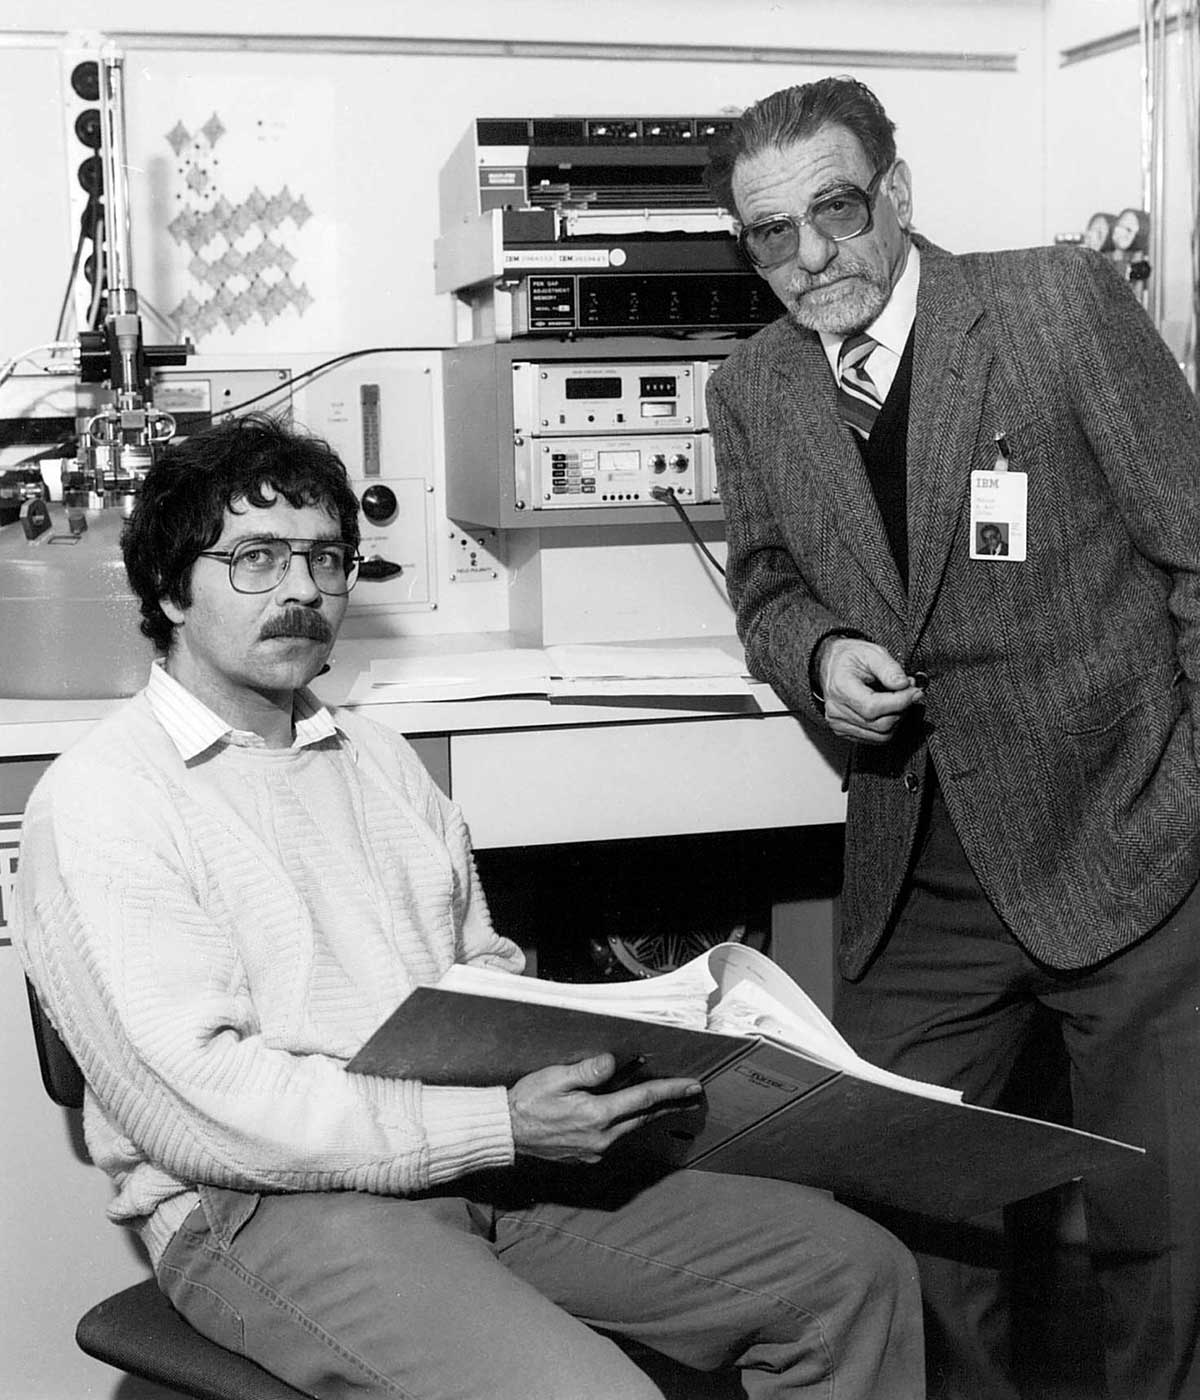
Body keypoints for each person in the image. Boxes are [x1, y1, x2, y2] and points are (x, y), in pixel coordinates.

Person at [13, 413, 923, 1400]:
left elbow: (478, 972)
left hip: (478, 1162)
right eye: (257, 557)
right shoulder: (107, 795)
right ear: (165, 586)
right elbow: (206, 1109)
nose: (302, 589)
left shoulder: (377, 758)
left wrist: (603, 1058)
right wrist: (499, 1125)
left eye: (326, 557)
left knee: (852, 1274)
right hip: (260, 1200)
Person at [704, 76, 1200, 1400]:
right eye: (771, 234)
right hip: (923, 862)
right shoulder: (753, 387)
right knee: (906, 1218)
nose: (810, 258)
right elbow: (762, 586)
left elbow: (1195, 550)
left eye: (836, 210)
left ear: (899, 196)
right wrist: (815, 655)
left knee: (1168, 1237)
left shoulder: (1055, 308)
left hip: (1130, 832)